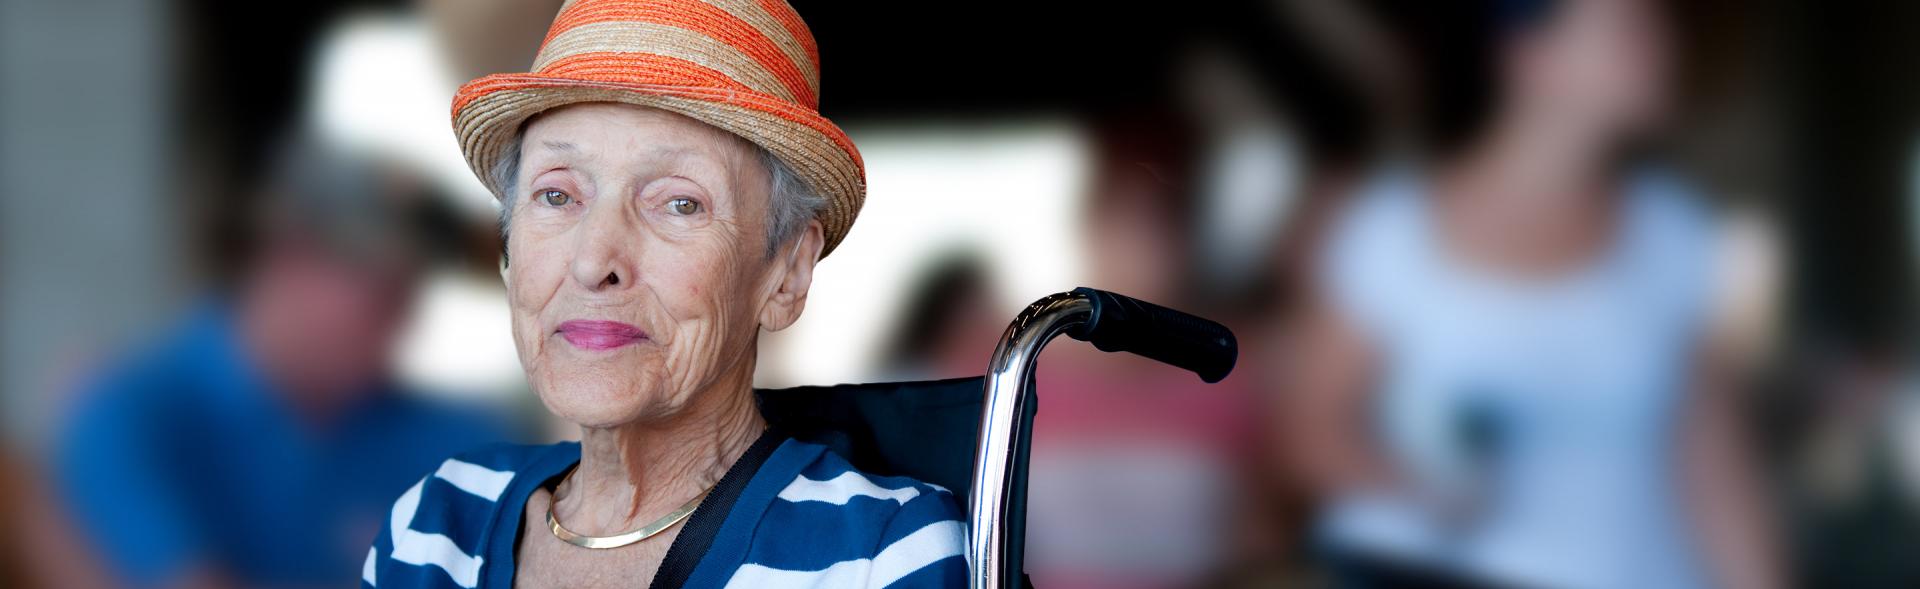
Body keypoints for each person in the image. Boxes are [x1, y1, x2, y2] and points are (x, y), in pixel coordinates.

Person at [360, 1, 968, 587]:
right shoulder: (435, 526)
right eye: (556, 195)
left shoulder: (881, 553)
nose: (595, 261)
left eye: (681, 203)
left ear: (787, 271)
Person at [1282, 1, 1781, 588]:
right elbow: (1308, 428)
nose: (1663, 46)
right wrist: (1421, 489)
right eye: (1632, 28)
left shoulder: (1672, 232)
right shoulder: (1394, 230)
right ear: (1530, 56)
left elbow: (1713, 464)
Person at [48, 136, 511, 588]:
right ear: (285, 258)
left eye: (410, 289)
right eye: (378, 288)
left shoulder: (457, 441)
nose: (398, 321)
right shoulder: (129, 414)